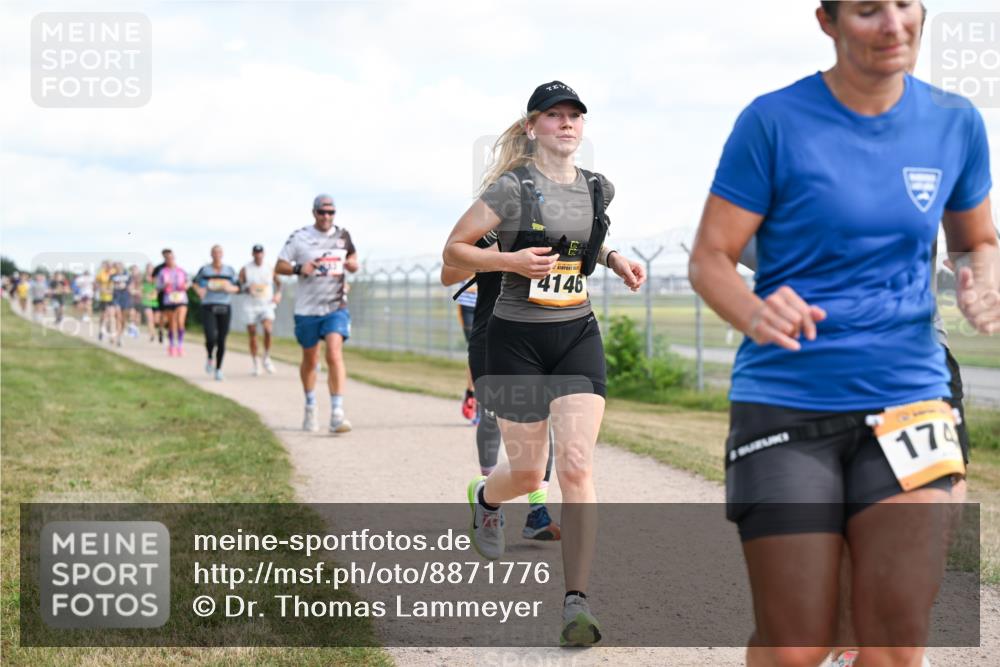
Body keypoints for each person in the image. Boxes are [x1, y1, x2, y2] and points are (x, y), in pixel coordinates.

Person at [688, 3, 998, 665]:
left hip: (909, 397)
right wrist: (753, 310)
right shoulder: (773, 121)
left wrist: (981, 276)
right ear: (827, 22)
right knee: (796, 644)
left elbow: (976, 240)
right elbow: (711, 257)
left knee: (895, 639)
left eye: (904, 4)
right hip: (788, 396)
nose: (892, 24)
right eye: (867, 9)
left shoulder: (955, 122)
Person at [442, 81, 645, 646]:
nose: (567, 122)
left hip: (577, 334)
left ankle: (576, 603)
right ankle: (487, 498)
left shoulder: (597, 188)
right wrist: (509, 260)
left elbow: (581, 242)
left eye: (575, 115)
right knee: (530, 474)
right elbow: (453, 252)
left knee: (576, 465)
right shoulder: (511, 189)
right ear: (532, 127)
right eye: (554, 115)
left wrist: (614, 258)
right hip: (515, 342)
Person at [442, 257, 561, 541]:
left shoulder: (556, 232)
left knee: (541, 419)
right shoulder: (488, 233)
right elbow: (448, 274)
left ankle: (538, 511)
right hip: (491, 335)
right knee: (492, 415)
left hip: (538, 337)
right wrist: (501, 254)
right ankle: (489, 497)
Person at [275, 194, 358, 433]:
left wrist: (353, 264)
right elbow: (279, 265)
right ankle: (310, 406)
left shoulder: (343, 235)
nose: (326, 216)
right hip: (307, 309)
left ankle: (337, 413)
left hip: (335, 307)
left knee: (334, 353)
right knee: (311, 359)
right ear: (314, 213)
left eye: (331, 212)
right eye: (322, 212)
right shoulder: (300, 237)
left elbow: (352, 257)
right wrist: (300, 268)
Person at [193, 245, 240, 381]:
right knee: (210, 337)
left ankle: (218, 369)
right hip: (209, 305)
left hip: (224, 305)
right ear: (211, 254)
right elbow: (195, 283)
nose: (217, 254)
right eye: (215, 252)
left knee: (221, 339)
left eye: (219, 252)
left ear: (222, 254)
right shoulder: (205, 270)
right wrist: (199, 290)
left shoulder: (229, 270)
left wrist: (230, 288)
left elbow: (238, 287)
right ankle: (209, 357)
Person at [239, 244, 281, 376]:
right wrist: (246, 288)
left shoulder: (269, 267)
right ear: (253, 254)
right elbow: (239, 285)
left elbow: (279, 283)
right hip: (250, 305)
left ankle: (266, 357)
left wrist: (278, 294)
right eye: (256, 253)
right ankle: (255, 362)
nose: (258, 255)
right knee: (252, 333)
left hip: (266, 304)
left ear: (264, 254)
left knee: (268, 330)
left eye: (260, 252)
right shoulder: (245, 269)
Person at [454, 281, 479, 422]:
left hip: (490, 302)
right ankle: (471, 393)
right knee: (475, 350)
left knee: (490, 350)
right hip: (467, 304)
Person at [156, 250, 189, 357]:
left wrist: (186, 286)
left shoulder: (181, 271)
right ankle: (171, 345)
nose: (170, 260)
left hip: (181, 299)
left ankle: (180, 345)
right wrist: (164, 285)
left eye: (171, 258)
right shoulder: (162, 272)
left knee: (180, 322)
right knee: (172, 324)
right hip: (169, 300)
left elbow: (188, 282)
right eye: (167, 259)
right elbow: (158, 286)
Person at [150, 249, 171, 344]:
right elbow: (153, 279)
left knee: (169, 314)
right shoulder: (159, 268)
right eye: (166, 255)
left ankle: (167, 329)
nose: (168, 257)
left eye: (169, 255)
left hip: (173, 295)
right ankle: (161, 330)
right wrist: (159, 286)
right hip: (162, 294)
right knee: (162, 314)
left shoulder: (174, 267)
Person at [109, 261, 131, 346]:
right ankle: (116, 336)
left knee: (123, 319)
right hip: (116, 298)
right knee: (118, 316)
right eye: (116, 267)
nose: (118, 268)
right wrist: (115, 287)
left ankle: (120, 335)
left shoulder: (127, 276)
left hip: (125, 298)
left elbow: (131, 286)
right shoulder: (113, 276)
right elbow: (110, 286)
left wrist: (126, 287)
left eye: (119, 266)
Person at [140, 263, 159, 341]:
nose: (149, 270)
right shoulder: (143, 279)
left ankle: (154, 331)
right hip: (146, 301)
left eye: (151, 268)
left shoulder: (156, 278)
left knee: (156, 320)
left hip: (156, 302)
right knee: (150, 319)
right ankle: (152, 334)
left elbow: (159, 288)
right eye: (148, 268)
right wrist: (142, 294)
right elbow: (140, 289)